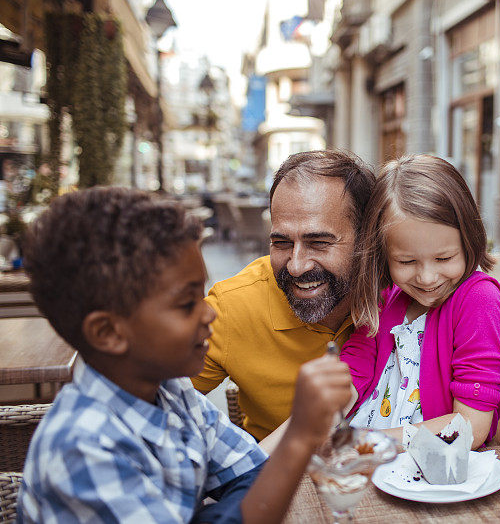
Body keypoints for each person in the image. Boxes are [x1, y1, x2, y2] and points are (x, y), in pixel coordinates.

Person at [18, 187, 353, 523]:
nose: (209, 314)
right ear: (108, 333)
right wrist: (300, 435)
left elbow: (249, 472)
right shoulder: (83, 448)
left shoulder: (172, 392)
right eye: (186, 303)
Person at [192, 150, 375, 442]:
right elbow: (150, 408)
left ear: (367, 239)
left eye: (318, 242)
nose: (296, 265)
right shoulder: (232, 306)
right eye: (281, 242)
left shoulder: (408, 290)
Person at [341, 155, 500, 449]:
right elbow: (354, 370)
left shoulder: (478, 300)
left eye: (444, 258)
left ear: (469, 240)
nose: (427, 277)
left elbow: (470, 426)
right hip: (368, 463)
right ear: (383, 254)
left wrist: (368, 442)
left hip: (435, 471)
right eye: (406, 261)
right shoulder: (385, 296)